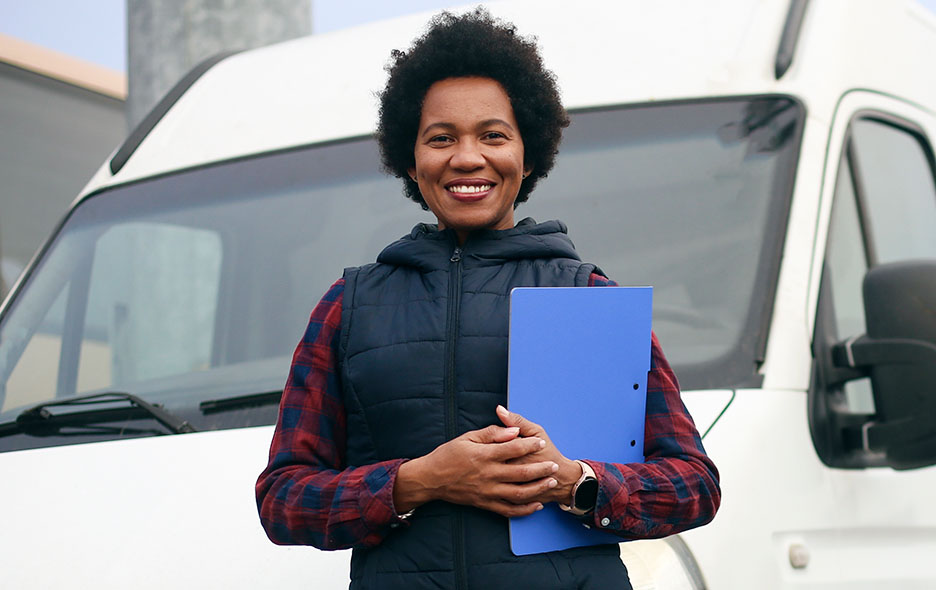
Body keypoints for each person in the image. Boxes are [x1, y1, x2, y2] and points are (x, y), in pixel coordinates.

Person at [256, 8, 720, 589]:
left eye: (493, 135)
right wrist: (418, 481)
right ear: (411, 158)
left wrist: (574, 481)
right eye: (441, 138)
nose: (467, 157)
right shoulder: (347, 307)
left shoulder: (590, 298)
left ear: (527, 157)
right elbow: (282, 499)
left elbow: (694, 486)